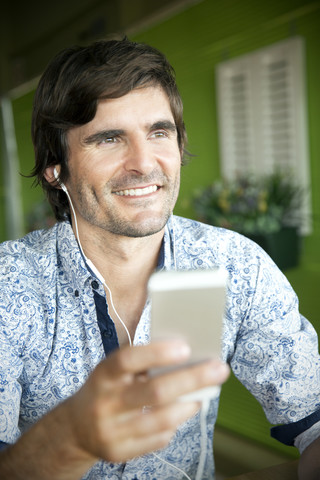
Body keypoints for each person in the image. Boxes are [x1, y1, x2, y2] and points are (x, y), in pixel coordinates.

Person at [0, 37, 319, 480]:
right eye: (109, 138)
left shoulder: (236, 266)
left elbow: (313, 417)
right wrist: (71, 437)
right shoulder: (8, 285)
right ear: (56, 168)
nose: (144, 163)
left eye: (159, 132)